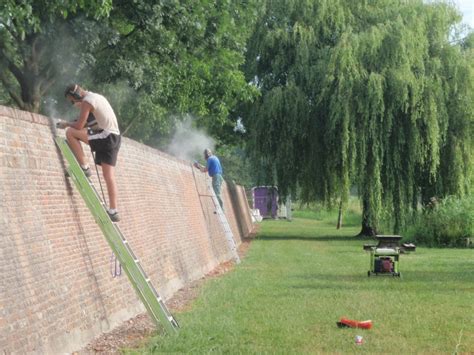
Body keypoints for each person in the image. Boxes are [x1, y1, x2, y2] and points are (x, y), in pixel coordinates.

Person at [58, 84, 122, 222]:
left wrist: (66, 124)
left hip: (106, 136)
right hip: (115, 137)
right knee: (108, 175)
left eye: (72, 100)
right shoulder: (96, 97)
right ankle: (114, 211)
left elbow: (79, 126)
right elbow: (90, 123)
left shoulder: (87, 101)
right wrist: (74, 120)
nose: (73, 103)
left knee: (70, 132)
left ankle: (84, 167)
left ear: (76, 96)